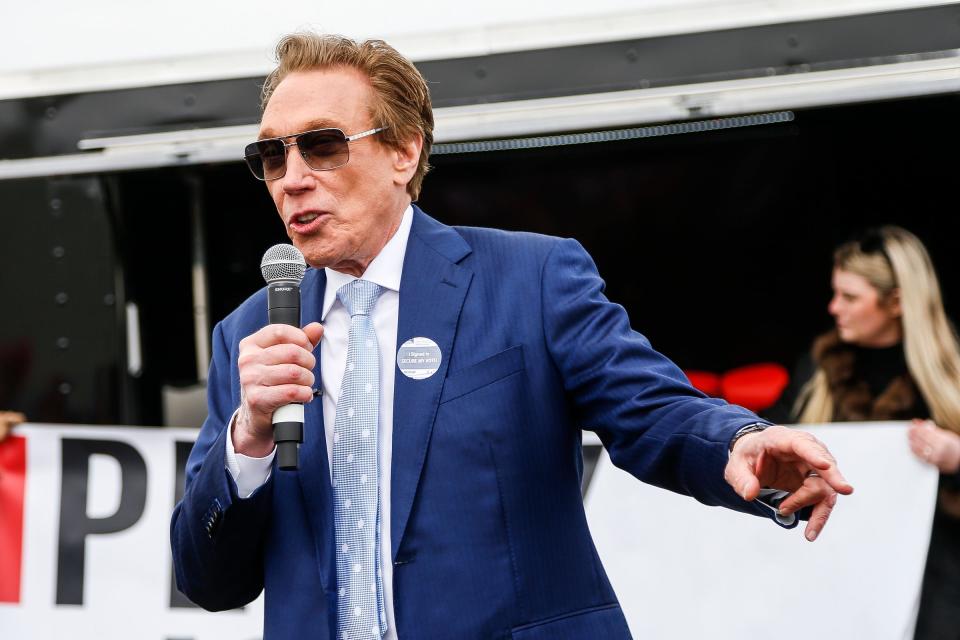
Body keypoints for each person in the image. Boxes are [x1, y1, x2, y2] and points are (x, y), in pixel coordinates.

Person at [170, 33, 852, 640]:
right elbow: (208, 579)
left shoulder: (529, 279)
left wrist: (737, 441)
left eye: (322, 145)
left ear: (405, 152)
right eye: (270, 154)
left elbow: (648, 408)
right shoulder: (250, 337)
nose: (292, 178)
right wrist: (248, 441)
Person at [767, 226, 960, 640]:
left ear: (896, 303)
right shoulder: (817, 370)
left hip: (937, 574)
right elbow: (769, 434)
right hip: (836, 564)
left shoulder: (952, 372)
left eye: (850, 297)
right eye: (836, 293)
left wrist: (956, 455)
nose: (834, 308)